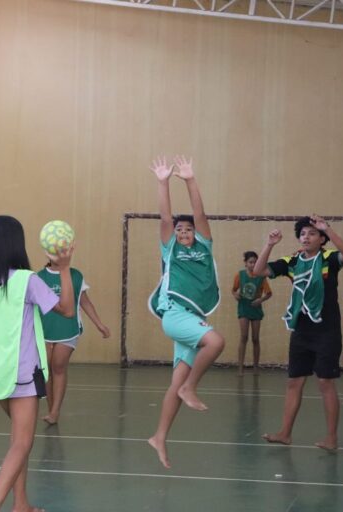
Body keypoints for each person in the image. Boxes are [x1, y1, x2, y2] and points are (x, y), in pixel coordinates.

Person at [0, 215, 75, 512]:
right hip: (22, 372)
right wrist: (64, 269)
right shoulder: (27, 280)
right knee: (22, 443)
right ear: (17, 244)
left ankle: (20, 504)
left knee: (17, 439)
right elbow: (66, 310)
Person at [147, 155, 225, 469]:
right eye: (179, 229)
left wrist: (190, 180)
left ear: (196, 232)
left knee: (175, 382)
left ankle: (159, 437)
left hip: (192, 318)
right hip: (175, 314)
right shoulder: (171, 250)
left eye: (187, 229)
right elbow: (165, 218)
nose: (182, 232)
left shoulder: (204, 246)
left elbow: (200, 213)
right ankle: (190, 386)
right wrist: (163, 182)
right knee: (215, 342)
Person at [253, 215, 343, 451]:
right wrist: (269, 244)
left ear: (322, 239)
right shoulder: (292, 261)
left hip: (327, 331)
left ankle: (331, 438)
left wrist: (328, 228)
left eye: (312, 233)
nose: (306, 237)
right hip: (301, 330)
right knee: (294, 382)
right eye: (303, 234)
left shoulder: (329, 259)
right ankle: (285, 433)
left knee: (325, 382)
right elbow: (259, 271)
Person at [37, 259, 110, 425]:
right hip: (44, 331)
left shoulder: (76, 276)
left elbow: (85, 302)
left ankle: (55, 411)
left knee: (58, 366)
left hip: (68, 330)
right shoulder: (39, 277)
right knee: (46, 370)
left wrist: (99, 324)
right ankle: (50, 409)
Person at [232, 251, 272, 376]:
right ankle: (240, 368)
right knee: (244, 337)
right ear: (245, 263)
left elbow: (269, 293)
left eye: (255, 262)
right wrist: (236, 295)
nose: (253, 264)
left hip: (256, 309)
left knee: (255, 338)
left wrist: (260, 300)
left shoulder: (261, 277)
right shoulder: (240, 275)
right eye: (250, 262)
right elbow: (233, 290)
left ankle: (256, 367)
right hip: (243, 308)